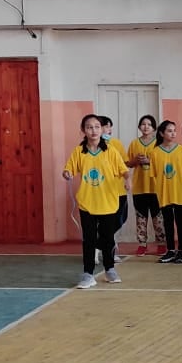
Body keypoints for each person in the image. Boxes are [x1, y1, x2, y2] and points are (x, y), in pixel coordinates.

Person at [63, 114, 130, 288]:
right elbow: (69, 168)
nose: (94, 130)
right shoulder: (79, 151)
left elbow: (124, 170)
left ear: (102, 129)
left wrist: (127, 179)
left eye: (97, 127)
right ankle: (88, 274)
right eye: (89, 127)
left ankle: (110, 269)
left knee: (108, 239)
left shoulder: (111, 151)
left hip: (108, 202)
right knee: (89, 239)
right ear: (83, 130)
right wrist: (67, 173)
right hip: (87, 203)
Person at [150, 120, 182, 263]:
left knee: (181, 222)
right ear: (162, 133)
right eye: (169, 131)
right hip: (164, 192)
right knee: (167, 222)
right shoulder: (155, 152)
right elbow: (154, 174)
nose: (173, 133)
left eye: (174, 130)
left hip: (179, 191)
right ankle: (171, 250)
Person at [127, 115, 165, 255]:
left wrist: (150, 161)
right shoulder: (134, 144)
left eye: (149, 124)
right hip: (139, 187)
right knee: (141, 217)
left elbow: (164, 163)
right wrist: (136, 161)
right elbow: (127, 164)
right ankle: (142, 244)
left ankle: (161, 243)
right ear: (139, 127)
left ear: (154, 128)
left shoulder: (159, 144)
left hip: (156, 187)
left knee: (158, 217)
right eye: (143, 124)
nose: (146, 126)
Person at [98, 115, 129, 264]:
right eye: (106, 126)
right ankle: (107, 250)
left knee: (120, 219)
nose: (109, 129)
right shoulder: (93, 146)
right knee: (106, 222)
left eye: (110, 126)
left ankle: (98, 244)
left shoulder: (116, 143)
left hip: (119, 188)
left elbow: (125, 163)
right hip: (103, 190)